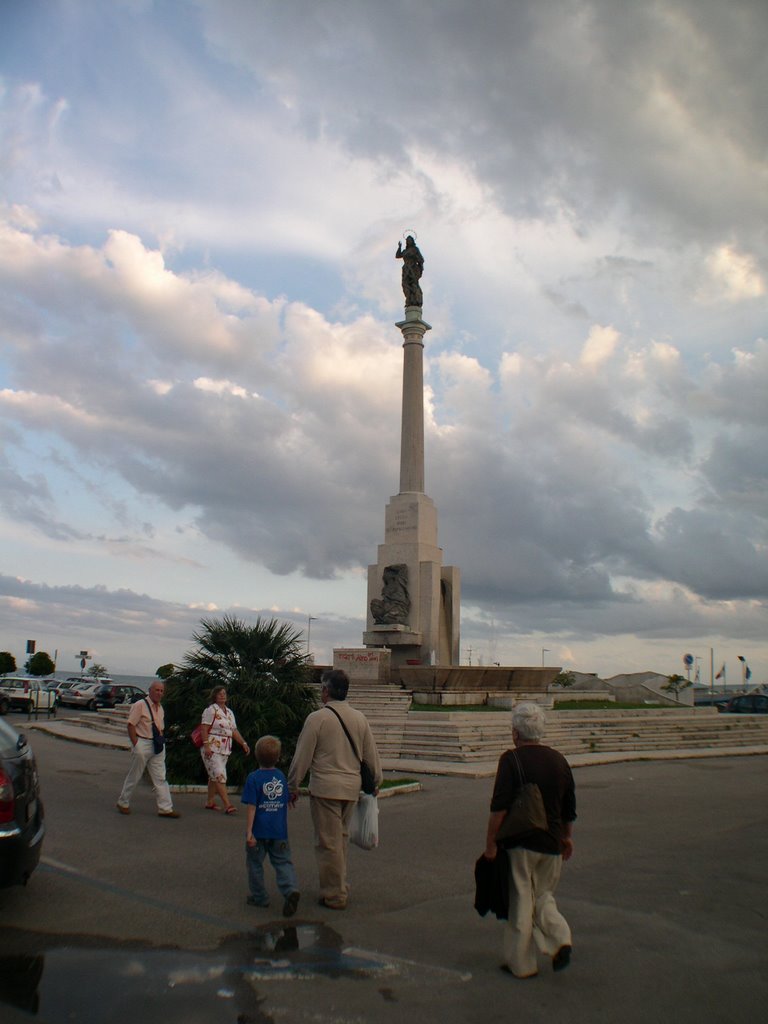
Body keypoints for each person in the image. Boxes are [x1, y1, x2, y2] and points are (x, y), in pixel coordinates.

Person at [483, 702, 576, 978]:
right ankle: (561, 937)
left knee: (522, 900)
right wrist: (567, 839)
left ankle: (522, 964)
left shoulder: (511, 760)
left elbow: (499, 808)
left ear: (515, 733)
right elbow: (569, 808)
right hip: (552, 844)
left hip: (520, 843)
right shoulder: (559, 760)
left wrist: (490, 845)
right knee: (544, 896)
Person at [287, 668, 382, 910]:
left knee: (328, 842)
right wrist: (376, 782)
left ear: (326, 691)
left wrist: (293, 784)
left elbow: (303, 755)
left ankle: (335, 895)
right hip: (351, 789)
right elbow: (371, 756)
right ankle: (338, 884)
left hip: (326, 789)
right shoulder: (359, 718)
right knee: (339, 839)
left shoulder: (317, 718)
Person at [241, 735, 300, 917]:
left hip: (259, 831)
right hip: (278, 831)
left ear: (257, 756)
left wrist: (249, 832)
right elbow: (284, 798)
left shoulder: (253, 778)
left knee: (254, 863)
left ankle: (260, 897)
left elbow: (252, 807)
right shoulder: (280, 777)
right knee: (282, 861)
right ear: (278, 757)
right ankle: (290, 890)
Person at [116, 680, 179, 818]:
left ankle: (165, 808)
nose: (159, 693)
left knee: (160, 777)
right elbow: (131, 725)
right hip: (143, 742)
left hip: (157, 744)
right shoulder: (140, 705)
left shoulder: (160, 708)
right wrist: (136, 744)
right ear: (150, 690)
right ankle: (123, 802)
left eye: (162, 691)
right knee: (135, 774)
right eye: (157, 690)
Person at [199, 685, 250, 814]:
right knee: (220, 775)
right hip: (212, 747)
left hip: (225, 749)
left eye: (224, 693)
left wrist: (243, 743)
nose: (222, 695)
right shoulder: (211, 710)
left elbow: (233, 730)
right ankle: (228, 804)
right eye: (219, 693)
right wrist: (206, 746)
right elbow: (204, 728)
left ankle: (210, 801)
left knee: (214, 776)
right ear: (215, 696)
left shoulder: (229, 712)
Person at [395, 235, 424, 306]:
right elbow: (398, 255)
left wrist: (419, 267)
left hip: (413, 269)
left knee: (414, 284)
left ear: (412, 241)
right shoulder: (405, 251)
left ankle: (416, 299)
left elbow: (421, 259)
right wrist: (399, 247)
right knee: (405, 284)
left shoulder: (415, 249)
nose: (408, 241)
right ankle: (409, 299)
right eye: (407, 240)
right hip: (406, 269)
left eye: (410, 240)